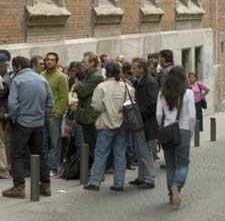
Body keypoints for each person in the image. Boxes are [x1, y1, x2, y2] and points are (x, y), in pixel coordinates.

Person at [2, 56, 54, 198]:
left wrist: (14, 118)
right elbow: (50, 102)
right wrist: (43, 115)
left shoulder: (17, 80)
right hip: (38, 123)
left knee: (17, 154)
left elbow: (12, 105)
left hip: (22, 123)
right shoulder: (41, 79)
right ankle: (45, 184)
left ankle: (19, 187)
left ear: (18, 67)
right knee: (40, 153)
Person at [83, 62, 132, 191]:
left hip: (105, 123)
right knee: (120, 153)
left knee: (101, 153)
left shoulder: (101, 87)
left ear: (107, 72)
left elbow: (97, 106)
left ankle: (95, 182)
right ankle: (119, 183)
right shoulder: (126, 86)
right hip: (122, 123)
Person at [156, 66, 195, 209]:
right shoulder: (188, 93)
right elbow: (192, 116)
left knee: (171, 164)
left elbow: (158, 115)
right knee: (183, 163)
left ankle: (171, 194)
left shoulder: (162, 93)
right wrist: (190, 131)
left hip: (167, 130)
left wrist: (162, 127)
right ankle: (176, 187)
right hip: (183, 129)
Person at [128, 58, 158, 189]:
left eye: (135, 68)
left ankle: (149, 178)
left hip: (145, 121)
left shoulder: (149, 82)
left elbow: (152, 103)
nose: (132, 70)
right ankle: (141, 176)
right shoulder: (139, 81)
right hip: (140, 120)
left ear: (141, 69)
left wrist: (139, 112)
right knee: (140, 150)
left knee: (145, 150)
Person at [42, 52, 69, 176]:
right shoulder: (41, 75)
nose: (49, 62)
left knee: (54, 142)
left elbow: (64, 97)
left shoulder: (61, 77)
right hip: (42, 114)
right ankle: (44, 166)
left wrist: (59, 112)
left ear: (56, 62)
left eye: (52, 60)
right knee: (44, 141)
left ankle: (53, 167)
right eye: (47, 59)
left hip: (54, 115)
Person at [74, 52, 104, 166]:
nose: (82, 64)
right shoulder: (89, 74)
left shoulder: (96, 76)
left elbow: (83, 91)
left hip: (91, 114)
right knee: (89, 143)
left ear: (92, 63)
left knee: (93, 143)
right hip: (86, 113)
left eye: (85, 62)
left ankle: (97, 170)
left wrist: (77, 85)